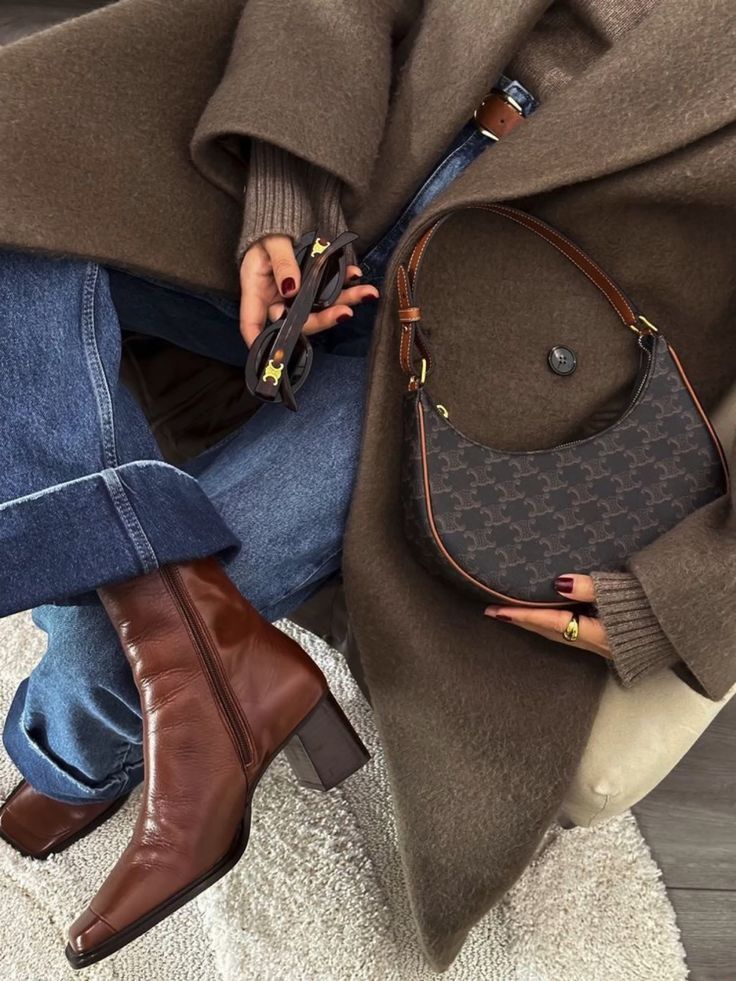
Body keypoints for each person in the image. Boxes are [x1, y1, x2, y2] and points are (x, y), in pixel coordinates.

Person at [2, 0, 734, 972]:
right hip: (354, 150)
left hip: (520, 353)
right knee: (22, 177)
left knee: (154, 593)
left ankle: (73, 749)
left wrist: (696, 592)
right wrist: (285, 190)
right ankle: (202, 651)